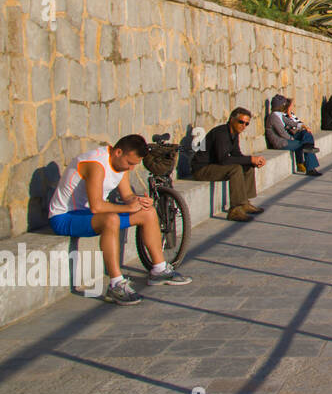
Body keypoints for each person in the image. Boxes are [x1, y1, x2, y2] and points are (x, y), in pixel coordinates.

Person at [47, 135, 192, 306]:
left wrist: (138, 201)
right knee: (111, 220)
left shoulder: (120, 165)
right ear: (118, 152)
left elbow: (127, 196)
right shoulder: (95, 165)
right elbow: (97, 207)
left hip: (89, 215)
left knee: (148, 212)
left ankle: (159, 269)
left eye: (134, 165)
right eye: (129, 163)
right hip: (65, 217)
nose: (130, 169)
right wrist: (128, 208)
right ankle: (116, 284)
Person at [191, 108, 267, 222]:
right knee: (235, 169)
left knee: (247, 166)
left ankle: (244, 203)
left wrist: (253, 161)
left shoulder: (234, 133)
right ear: (232, 119)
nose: (243, 126)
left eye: (246, 124)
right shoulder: (221, 133)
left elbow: (237, 154)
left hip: (215, 166)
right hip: (202, 169)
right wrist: (251, 159)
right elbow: (224, 160)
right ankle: (235, 210)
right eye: (241, 122)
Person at [267, 95, 321, 176]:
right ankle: (310, 168)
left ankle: (308, 154)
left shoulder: (279, 115)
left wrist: (303, 126)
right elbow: (282, 133)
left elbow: (291, 122)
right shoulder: (273, 117)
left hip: (287, 138)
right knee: (304, 144)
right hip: (281, 142)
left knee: (306, 134)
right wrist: (292, 139)